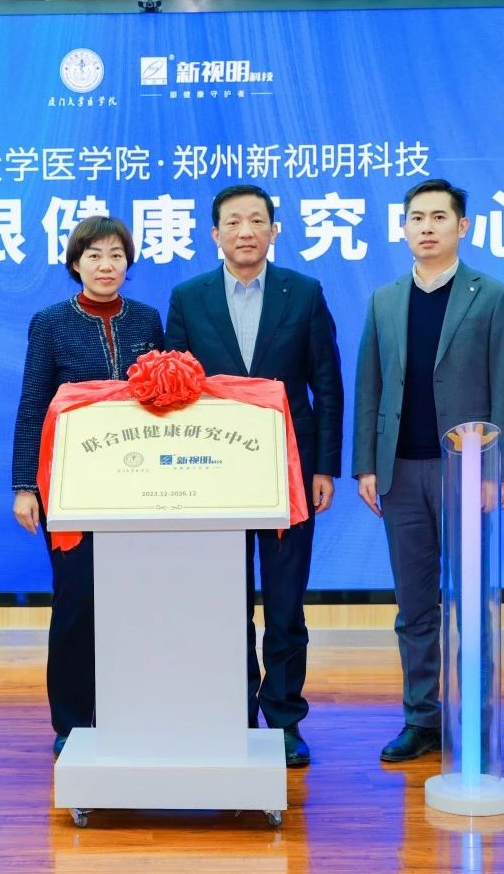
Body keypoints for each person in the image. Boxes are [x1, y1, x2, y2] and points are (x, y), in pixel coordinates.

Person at [165, 183, 343, 767]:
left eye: (257, 220)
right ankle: (234, 712)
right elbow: (173, 390)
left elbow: (327, 385)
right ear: (214, 234)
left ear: (274, 230)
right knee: (225, 601)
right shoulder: (188, 298)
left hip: (291, 470)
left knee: (286, 603)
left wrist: (325, 467)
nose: (246, 231)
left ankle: (285, 718)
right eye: (234, 222)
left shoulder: (304, 292)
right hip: (214, 473)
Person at [351, 178, 504, 762]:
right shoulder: (384, 299)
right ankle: (421, 718)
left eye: (439, 217)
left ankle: (475, 717)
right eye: (417, 218)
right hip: (399, 473)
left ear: (462, 226)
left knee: (471, 603)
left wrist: (499, 471)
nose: (427, 227)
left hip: (467, 474)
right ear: (404, 228)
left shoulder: (492, 295)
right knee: (415, 607)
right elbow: (370, 386)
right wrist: (366, 466)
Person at [12, 216, 164, 757]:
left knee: (137, 601)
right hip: (71, 485)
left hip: (141, 486)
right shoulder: (50, 322)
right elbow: (33, 406)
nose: (106, 265)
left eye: (116, 255)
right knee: (77, 601)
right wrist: (24, 486)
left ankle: (132, 710)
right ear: (76, 263)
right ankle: (73, 722)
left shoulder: (147, 319)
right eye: (94, 255)